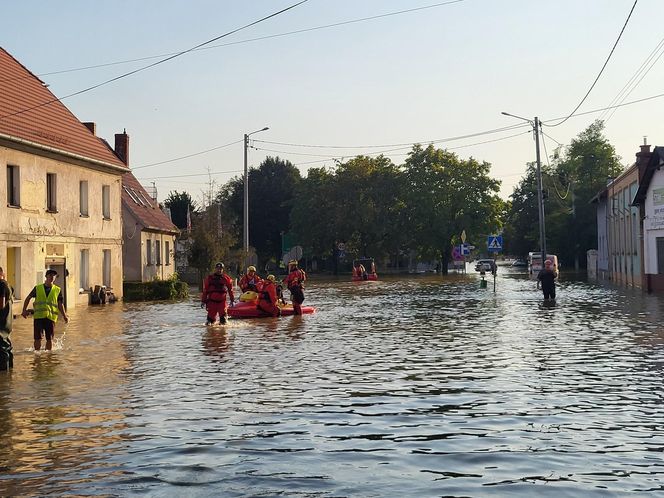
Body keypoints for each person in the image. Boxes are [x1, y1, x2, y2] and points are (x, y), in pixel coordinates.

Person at [22, 269, 69, 351]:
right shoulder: (38, 288)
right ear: (46, 276)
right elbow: (28, 298)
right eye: (50, 275)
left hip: (50, 318)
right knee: (37, 338)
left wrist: (64, 316)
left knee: (49, 338)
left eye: (54, 275)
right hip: (38, 317)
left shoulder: (57, 290)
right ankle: (37, 355)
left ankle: (48, 357)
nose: (52, 277)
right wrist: (24, 310)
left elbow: (60, 304)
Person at [0, 267, 14, 370]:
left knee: (2, 348)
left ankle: (4, 374)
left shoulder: (1, 284)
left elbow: (1, 304)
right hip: (7, 322)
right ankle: (9, 374)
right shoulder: (7, 285)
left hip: (1, 322)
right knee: (7, 347)